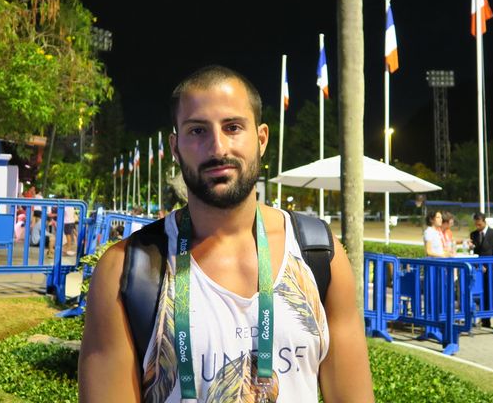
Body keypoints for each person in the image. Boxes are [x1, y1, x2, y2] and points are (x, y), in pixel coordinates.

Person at [79, 65, 375, 402]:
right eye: (197, 131)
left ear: (261, 139)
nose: (218, 148)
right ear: (175, 147)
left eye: (233, 127)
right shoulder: (124, 270)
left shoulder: (319, 256)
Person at [468, 211, 493, 328]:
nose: (477, 227)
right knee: (484, 295)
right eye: (476, 225)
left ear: (484, 222)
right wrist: (478, 265)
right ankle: (485, 320)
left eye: (479, 225)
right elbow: (474, 253)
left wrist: (487, 266)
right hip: (480, 270)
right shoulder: (473, 235)